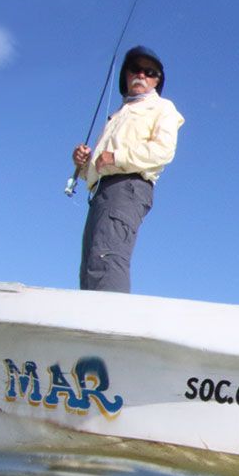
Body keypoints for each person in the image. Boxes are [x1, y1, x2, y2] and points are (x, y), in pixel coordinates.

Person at [73, 45, 183, 292]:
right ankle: (91, 324)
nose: (141, 75)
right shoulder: (119, 114)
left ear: (157, 81)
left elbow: (162, 152)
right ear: (126, 74)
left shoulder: (163, 108)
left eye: (150, 72)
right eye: (135, 69)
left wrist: (116, 157)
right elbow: (99, 167)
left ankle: (109, 325)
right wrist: (83, 166)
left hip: (128, 188)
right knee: (91, 264)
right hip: (101, 193)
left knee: (107, 259)